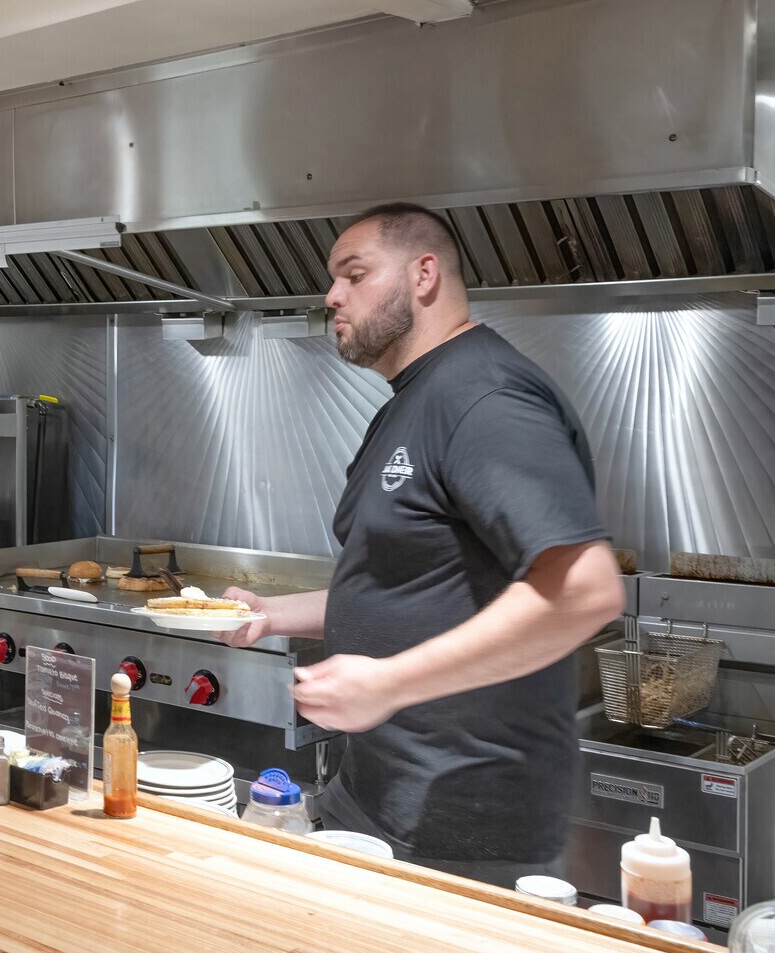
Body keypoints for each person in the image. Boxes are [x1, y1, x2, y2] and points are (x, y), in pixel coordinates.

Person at [221, 203, 626, 883]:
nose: (331, 296)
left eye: (354, 274)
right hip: (381, 798)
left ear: (424, 274)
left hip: (463, 832)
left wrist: (386, 682)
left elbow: (586, 590)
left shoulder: (484, 395)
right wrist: (271, 613)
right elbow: (406, 581)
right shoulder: (411, 400)